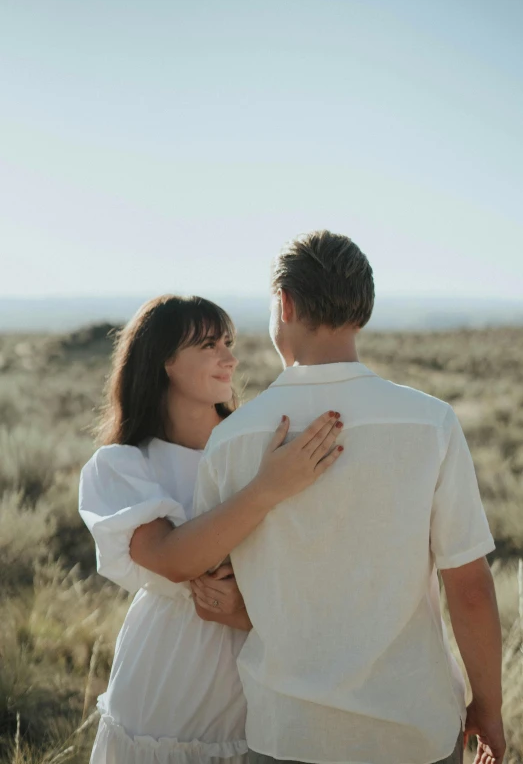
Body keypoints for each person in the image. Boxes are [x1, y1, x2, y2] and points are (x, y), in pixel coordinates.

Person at [193, 231, 506, 764]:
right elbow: (470, 588)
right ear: (364, 307)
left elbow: (214, 587)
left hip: (288, 732)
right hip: (416, 729)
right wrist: (490, 708)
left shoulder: (231, 440)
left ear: (285, 304)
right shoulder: (431, 423)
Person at [79, 294, 344, 764]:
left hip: (263, 669)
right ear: (163, 361)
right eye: (208, 345)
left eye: (228, 341)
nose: (230, 358)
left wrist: (249, 608)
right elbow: (172, 559)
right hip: (166, 674)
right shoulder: (124, 465)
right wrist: (267, 488)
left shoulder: (262, 446)